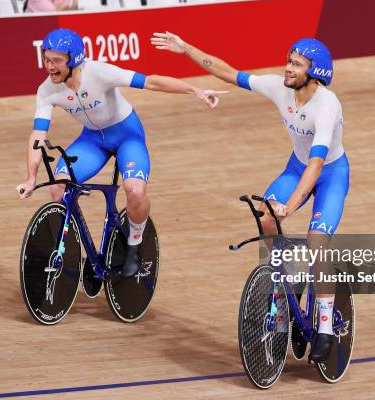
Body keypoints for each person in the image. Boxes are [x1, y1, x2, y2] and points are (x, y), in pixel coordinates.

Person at [151, 32, 349, 362]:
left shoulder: (327, 105)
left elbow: (316, 166)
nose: (287, 68)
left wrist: (294, 203)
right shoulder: (278, 87)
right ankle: (284, 286)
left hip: (330, 174)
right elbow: (228, 72)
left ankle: (326, 327)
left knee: (318, 242)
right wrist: (186, 48)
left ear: (316, 74)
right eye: (289, 60)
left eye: (296, 64)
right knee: (266, 217)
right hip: (295, 167)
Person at [17, 28, 225, 278]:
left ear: (74, 59)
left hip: (127, 135)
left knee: (134, 191)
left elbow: (151, 81)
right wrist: (31, 177)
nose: (50, 67)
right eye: (47, 59)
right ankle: (68, 247)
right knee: (58, 187)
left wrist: (195, 90)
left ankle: (135, 244)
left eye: (56, 61)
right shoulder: (47, 90)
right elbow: (38, 135)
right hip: (92, 140)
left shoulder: (100, 73)